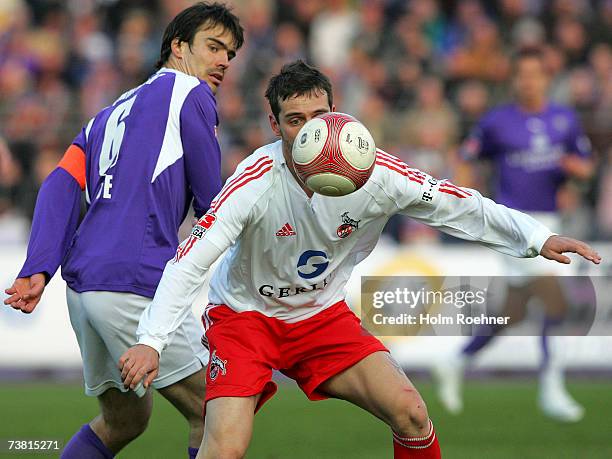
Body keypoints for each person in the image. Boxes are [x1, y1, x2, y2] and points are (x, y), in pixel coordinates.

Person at [119, 60, 600, 459]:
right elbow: (191, 259)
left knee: (411, 413)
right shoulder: (255, 179)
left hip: (322, 319)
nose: (311, 132)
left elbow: (458, 204)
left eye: (320, 115)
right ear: (274, 125)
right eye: (295, 121)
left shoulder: (375, 171)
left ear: (337, 112)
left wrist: (536, 237)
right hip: (244, 320)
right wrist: (152, 340)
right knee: (223, 448)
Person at [3, 3, 243, 458]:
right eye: (213, 47)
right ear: (177, 47)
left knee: (125, 419)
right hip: (132, 282)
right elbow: (213, 202)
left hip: (83, 288)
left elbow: (59, 184)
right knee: (217, 409)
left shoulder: (108, 112)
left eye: (229, 53)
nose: (223, 62)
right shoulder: (189, 94)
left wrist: (39, 266)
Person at [433, 47, 595, 423]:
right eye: (521, 74)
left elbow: (586, 167)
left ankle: (455, 361)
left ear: (546, 78)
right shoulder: (496, 122)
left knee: (515, 310)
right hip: (512, 224)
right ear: (514, 80)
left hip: (553, 221)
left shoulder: (564, 119)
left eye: (535, 74)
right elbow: (466, 157)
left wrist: (574, 168)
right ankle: (551, 387)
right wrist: (465, 191)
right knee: (558, 302)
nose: (528, 81)